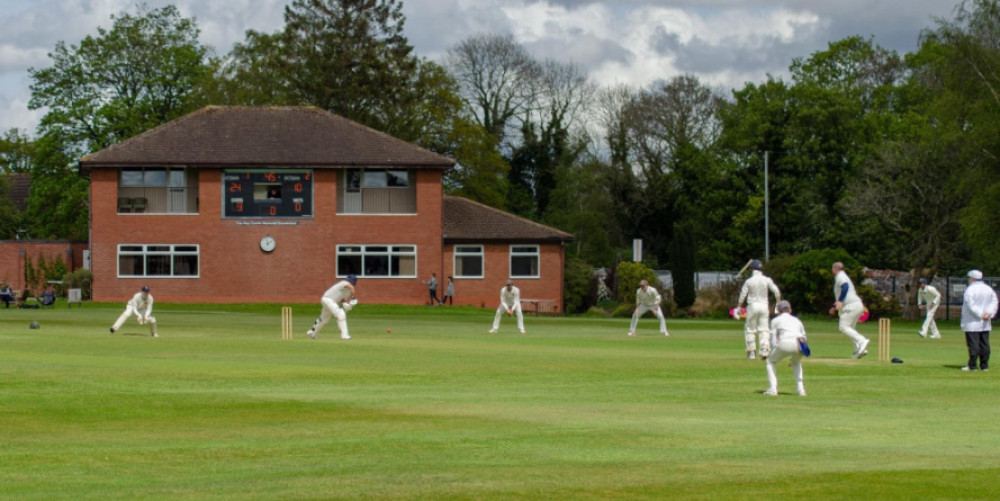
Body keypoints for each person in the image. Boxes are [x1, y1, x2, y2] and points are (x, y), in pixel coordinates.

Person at [736, 259, 781, 359]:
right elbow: (777, 292)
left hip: (752, 306)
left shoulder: (749, 281)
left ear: (752, 269)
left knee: (750, 329)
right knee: (764, 329)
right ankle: (764, 349)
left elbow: (742, 295)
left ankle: (751, 351)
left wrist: (738, 307)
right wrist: (778, 304)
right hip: (764, 306)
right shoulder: (767, 279)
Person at [763, 300, 807, 397]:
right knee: (796, 363)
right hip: (800, 343)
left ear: (778, 310)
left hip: (785, 342)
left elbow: (773, 339)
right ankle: (801, 390)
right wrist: (801, 353)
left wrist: (771, 351)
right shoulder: (797, 320)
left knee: (770, 361)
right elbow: (804, 337)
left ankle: (773, 389)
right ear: (790, 310)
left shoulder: (775, 320)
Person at [829, 262, 870, 358]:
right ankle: (859, 350)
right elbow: (842, 294)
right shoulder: (842, 276)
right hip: (856, 305)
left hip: (852, 306)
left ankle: (862, 341)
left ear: (835, 269)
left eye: (832, 269)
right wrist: (834, 307)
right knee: (850, 329)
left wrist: (839, 301)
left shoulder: (840, 276)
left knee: (843, 327)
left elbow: (845, 287)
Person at [960, 270, 998, 371]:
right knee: (984, 344)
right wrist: (989, 313)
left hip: (972, 321)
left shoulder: (970, 290)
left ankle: (972, 365)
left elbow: (970, 305)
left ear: (971, 278)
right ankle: (984, 365)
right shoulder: (988, 289)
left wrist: (981, 314)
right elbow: (994, 302)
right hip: (985, 321)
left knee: (973, 344)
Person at [307, 274, 358, 341]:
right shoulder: (344, 283)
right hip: (328, 299)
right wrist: (353, 297)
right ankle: (344, 335)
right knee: (341, 315)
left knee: (324, 319)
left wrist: (348, 305)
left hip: (328, 301)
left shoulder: (348, 291)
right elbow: (351, 287)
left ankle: (312, 332)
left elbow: (342, 301)